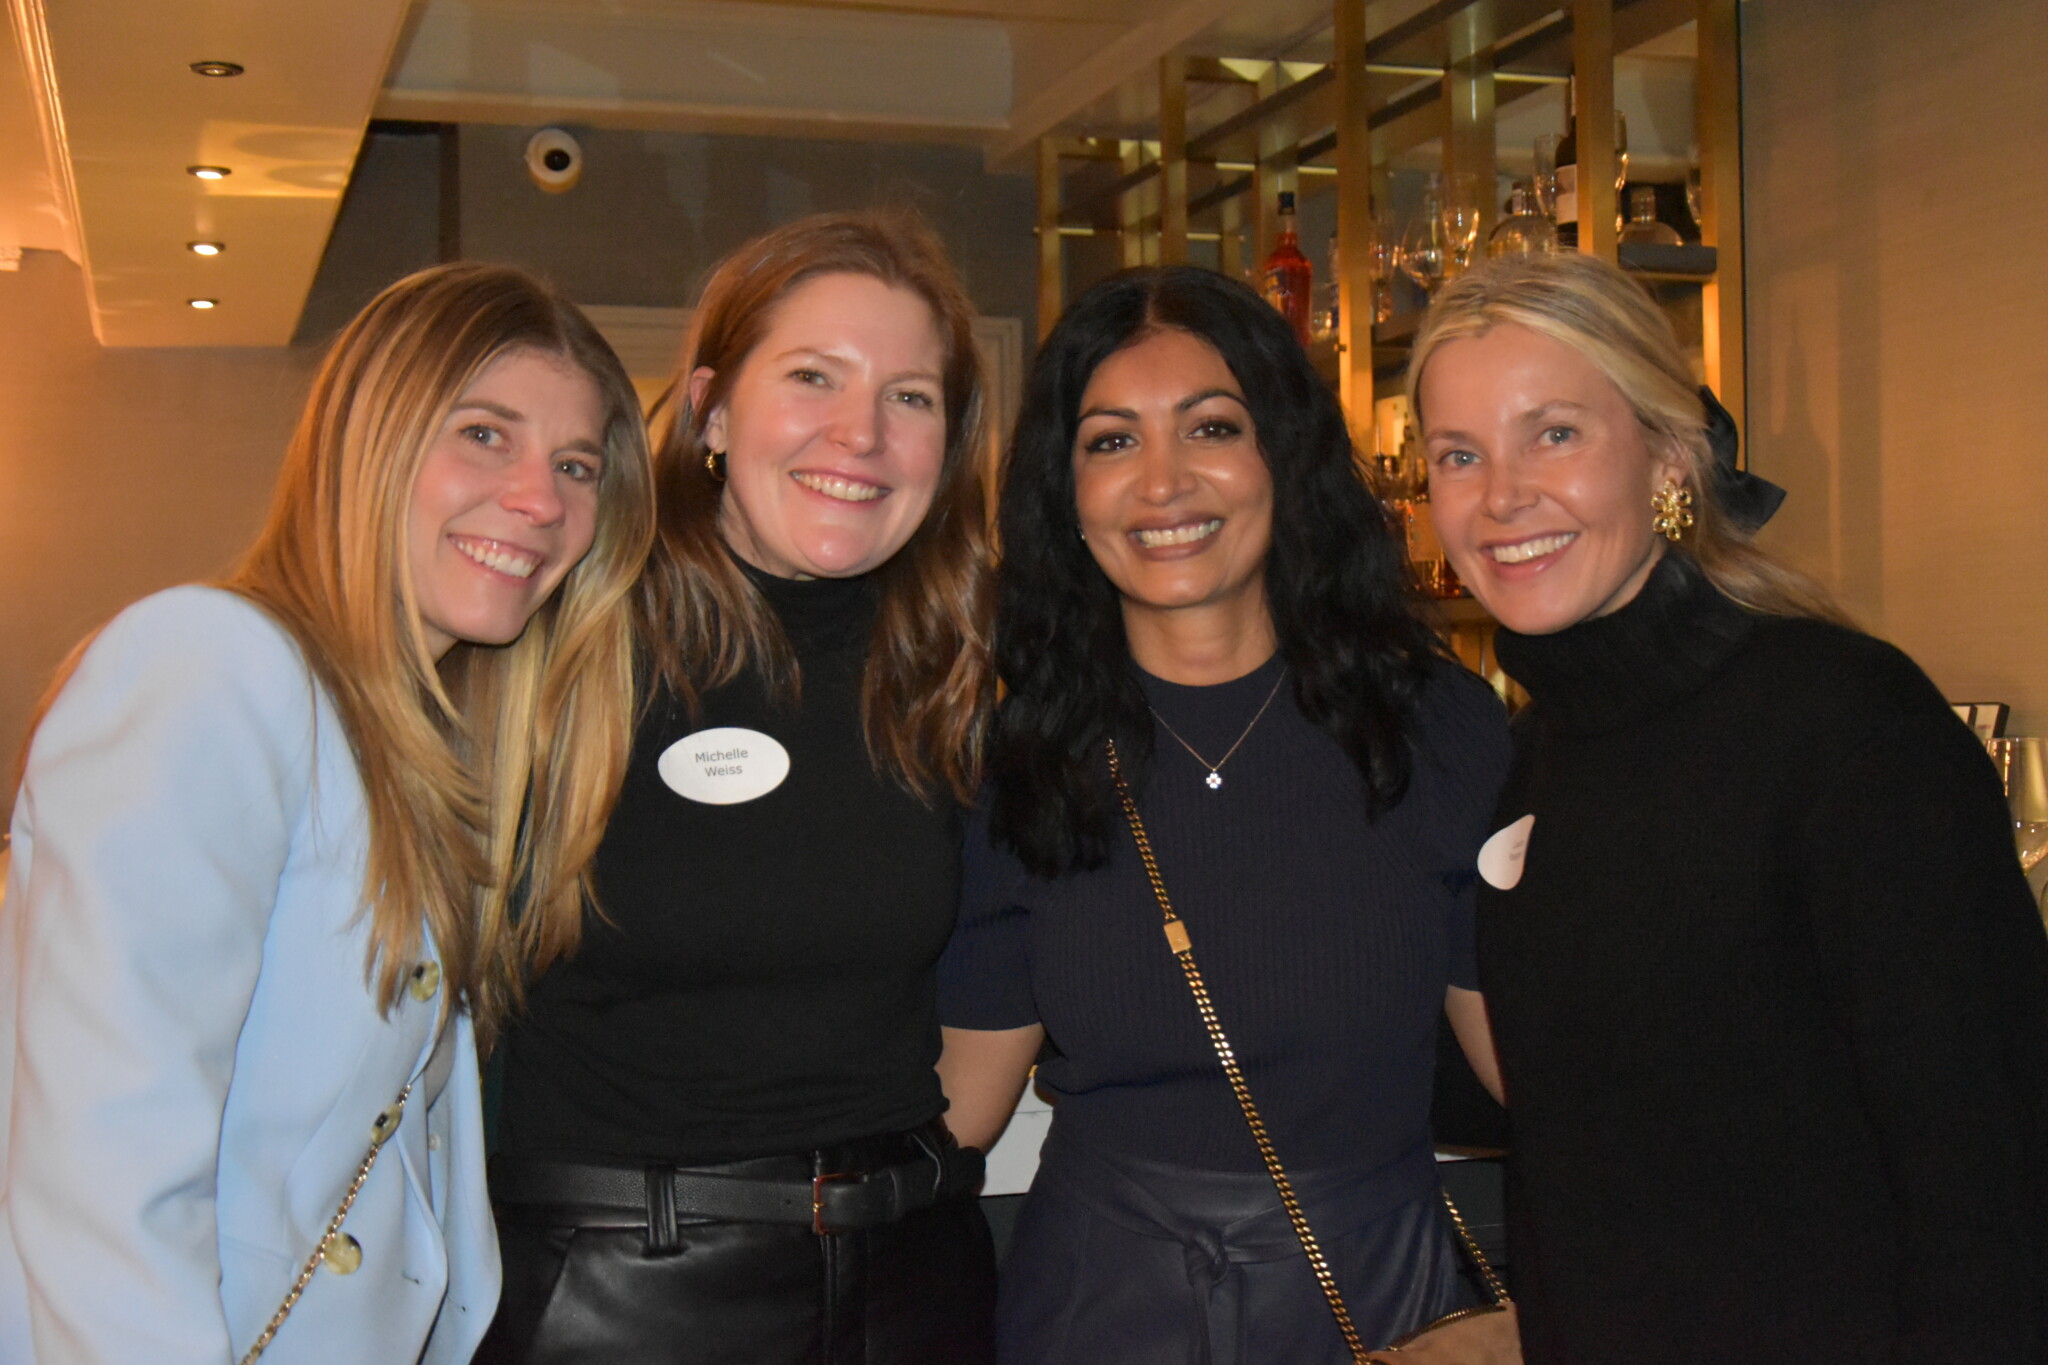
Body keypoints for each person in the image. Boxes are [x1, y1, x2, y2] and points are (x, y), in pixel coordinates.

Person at [0, 262, 656, 1363]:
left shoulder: (426, 748)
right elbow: (100, 1163)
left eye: (576, 465)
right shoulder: (212, 666)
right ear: (370, 440)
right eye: (485, 435)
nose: (542, 500)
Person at [1411, 251, 2048, 1363]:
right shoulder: (1531, 762)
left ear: (1665, 454)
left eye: (1551, 433)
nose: (1500, 496)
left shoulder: (1843, 725)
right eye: (1458, 455)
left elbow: (1989, 1174)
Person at [936, 264, 1510, 1364]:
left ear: (1281, 457)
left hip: (1380, 1302)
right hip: (1095, 1307)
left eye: (1208, 427)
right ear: (1064, 490)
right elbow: (963, 1102)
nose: (1161, 483)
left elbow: (1528, 1066)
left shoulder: (1432, 723)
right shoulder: (1017, 753)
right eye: (1109, 441)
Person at [480, 209, 999, 1364]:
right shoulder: (563, 635)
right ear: (711, 406)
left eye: (908, 397)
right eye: (813, 376)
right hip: (620, 1293)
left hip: (916, 1278)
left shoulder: (959, 664)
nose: (858, 434)